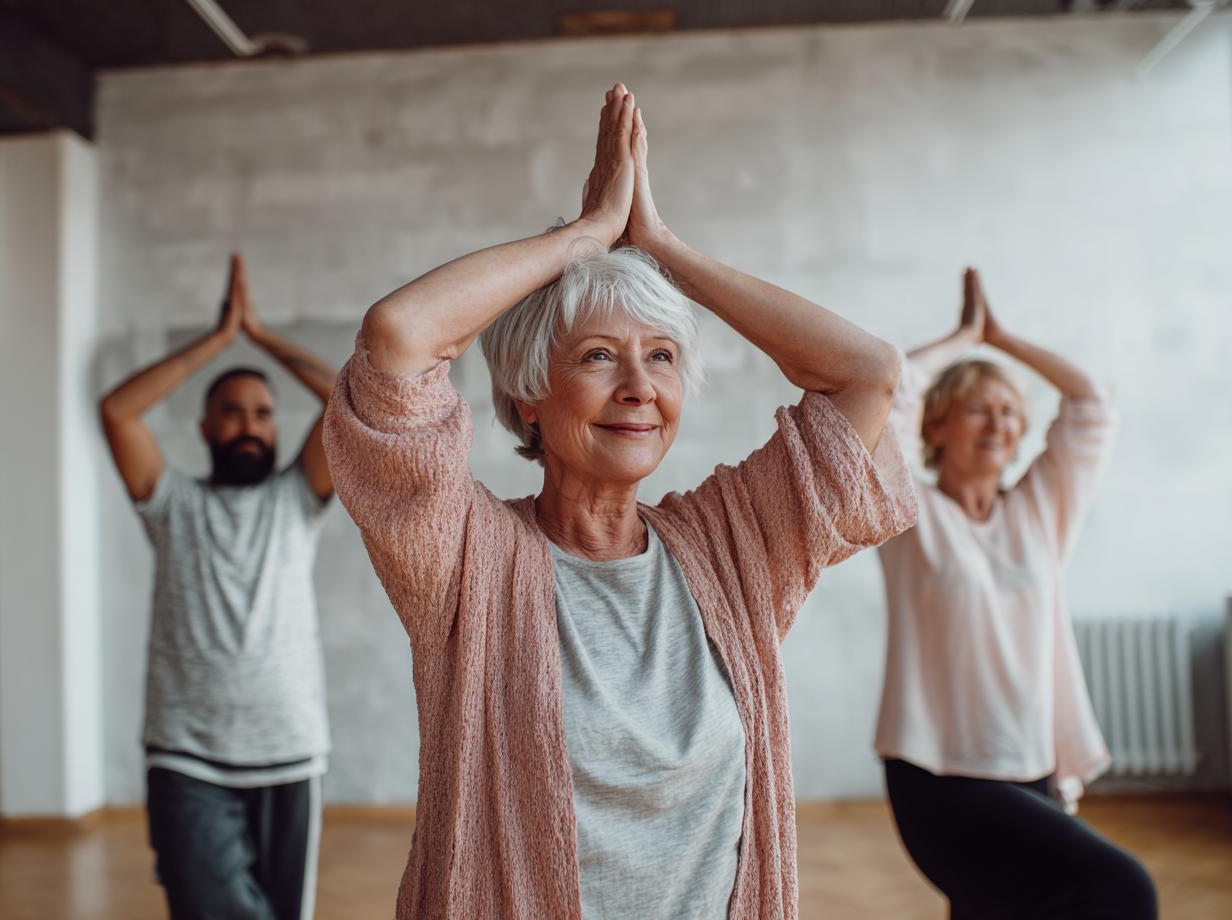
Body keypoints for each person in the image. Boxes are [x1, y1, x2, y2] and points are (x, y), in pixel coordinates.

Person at [323, 83, 917, 920]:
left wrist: (664, 249)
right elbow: (399, 339)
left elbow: (869, 373)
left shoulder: (733, 546)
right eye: (600, 356)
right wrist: (585, 236)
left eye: (664, 357)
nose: (640, 387)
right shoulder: (464, 556)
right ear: (529, 394)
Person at [874, 268, 1157, 918]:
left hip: (1032, 762)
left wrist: (1003, 339)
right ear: (937, 426)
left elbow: (1090, 402)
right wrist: (963, 339)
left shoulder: (1040, 511)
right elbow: (885, 394)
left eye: (1010, 412)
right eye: (979, 408)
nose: (999, 423)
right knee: (1124, 888)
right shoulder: (907, 511)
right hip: (938, 770)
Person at [99, 254, 337, 920]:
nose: (249, 425)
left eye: (262, 413)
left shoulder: (298, 500)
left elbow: (353, 397)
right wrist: (216, 340)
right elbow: (117, 412)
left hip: (291, 755)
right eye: (230, 413)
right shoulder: (171, 503)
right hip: (187, 759)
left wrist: (259, 337)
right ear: (204, 428)